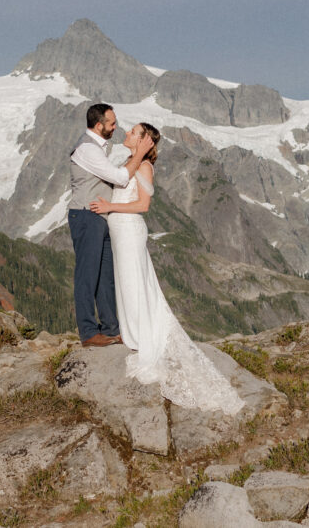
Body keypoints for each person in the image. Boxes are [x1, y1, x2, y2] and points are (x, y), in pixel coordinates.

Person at [90, 123, 245, 415]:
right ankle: (132, 330)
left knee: (134, 280)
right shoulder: (128, 162)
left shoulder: (144, 166)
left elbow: (143, 205)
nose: (126, 132)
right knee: (126, 281)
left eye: (133, 131)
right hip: (120, 230)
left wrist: (110, 208)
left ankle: (141, 335)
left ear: (144, 140)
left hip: (130, 229)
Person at [69, 103, 154, 348]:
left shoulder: (102, 148)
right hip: (86, 215)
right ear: (99, 125)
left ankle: (111, 328)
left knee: (105, 277)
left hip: (101, 218)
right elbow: (119, 177)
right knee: (87, 275)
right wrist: (140, 153)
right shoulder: (87, 149)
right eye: (112, 123)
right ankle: (88, 332)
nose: (117, 127)